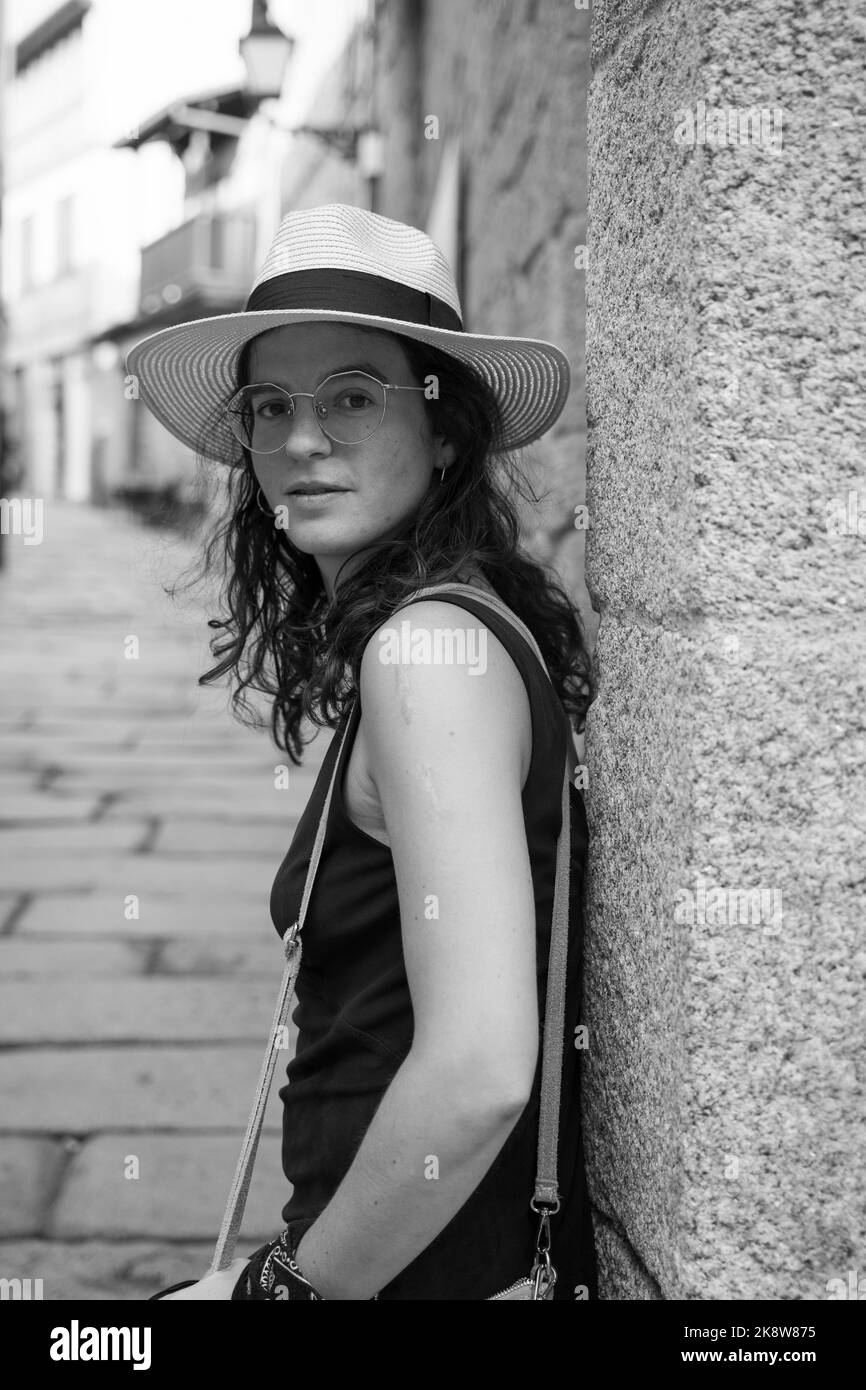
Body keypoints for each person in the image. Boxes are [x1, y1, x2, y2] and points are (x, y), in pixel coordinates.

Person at [126, 203, 597, 1301]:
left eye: (351, 396)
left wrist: (283, 1290)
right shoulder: (452, 627)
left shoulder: (427, 649)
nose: (300, 440)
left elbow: (478, 1070)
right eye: (271, 406)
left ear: (442, 431)